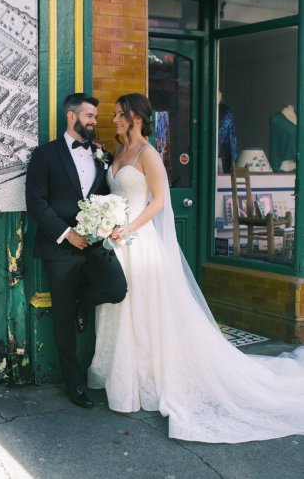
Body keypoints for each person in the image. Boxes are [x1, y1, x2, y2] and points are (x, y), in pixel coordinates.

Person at [88, 92, 304, 443]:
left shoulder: (148, 154)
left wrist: (128, 227)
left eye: (119, 114)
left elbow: (159, 201)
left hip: (138, 243)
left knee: (140, 312)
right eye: (114, 114)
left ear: (136, 118)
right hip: (116, 242)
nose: (114, 119)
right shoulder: (119, 152)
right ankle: (120, 376)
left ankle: (145, 380)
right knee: (119, 309)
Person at [26, 93, 127, 408]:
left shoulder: (102, 155)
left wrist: (109, 224)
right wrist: (67, 234)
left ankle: (84, 302)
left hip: (95, 243)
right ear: (72, 117)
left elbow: (107, 195)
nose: (94, 122)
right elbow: (36, 204)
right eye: (90, 116)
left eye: (95, 117)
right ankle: (74, 384)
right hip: (60, 247)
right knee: (64, 316)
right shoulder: (44, 156)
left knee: (117, 288)